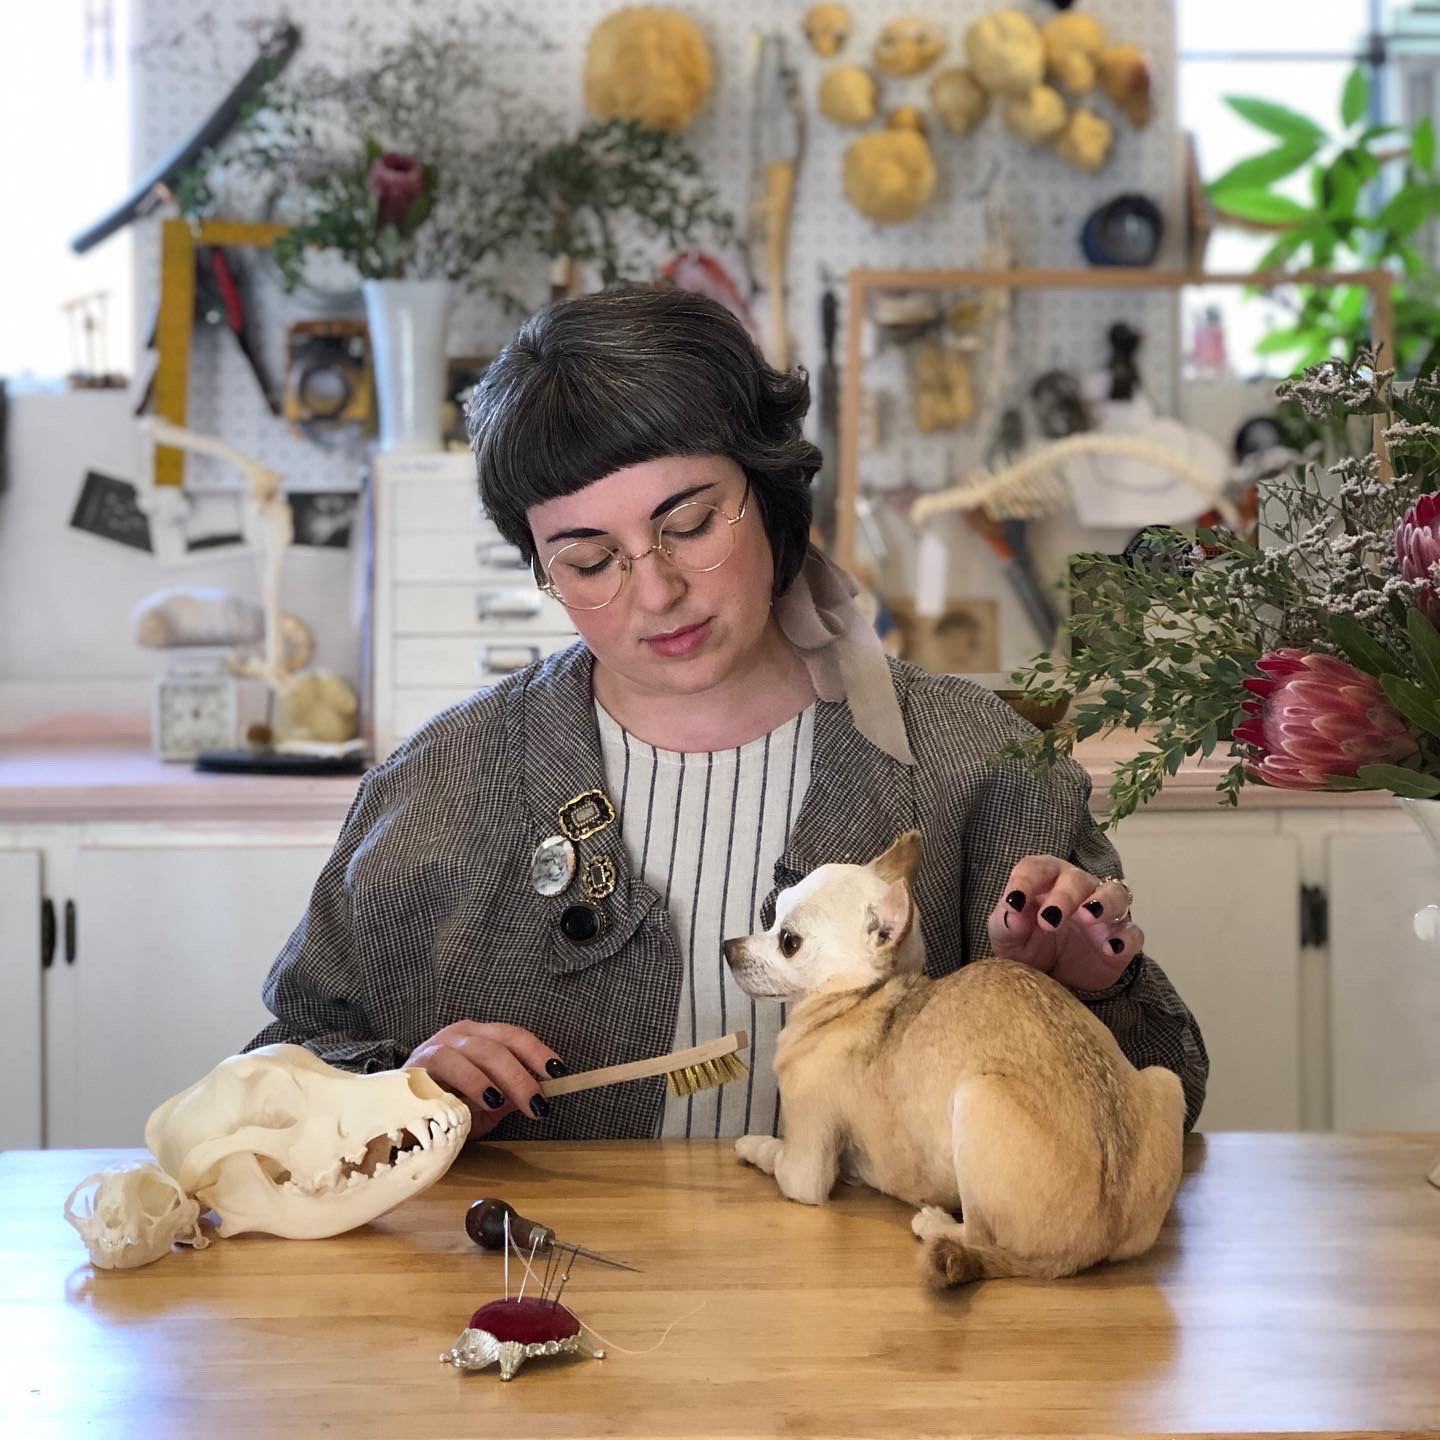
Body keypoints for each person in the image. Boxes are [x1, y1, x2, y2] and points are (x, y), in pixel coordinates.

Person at [247, 287, 1208, 1142]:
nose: (655, 591)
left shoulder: (974, 764)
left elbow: (1167, 1088)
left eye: (691, 524)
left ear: (772, 488)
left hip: (894, 1324)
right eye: (588, 561)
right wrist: (396, 1086)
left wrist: (1092, 991)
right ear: (543, 570)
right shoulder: (442, 783)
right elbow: (279, 1069)